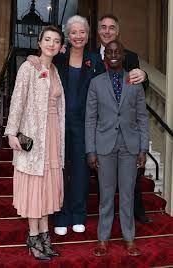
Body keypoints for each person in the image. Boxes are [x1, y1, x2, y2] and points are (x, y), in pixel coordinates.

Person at [27, 15, 104, 236]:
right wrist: (34, 59)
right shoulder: (58, 58)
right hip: (57, 123)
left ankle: (78, 214)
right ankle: (60, 215)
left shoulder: (95, 61)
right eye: (73, 32)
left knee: (80, 171)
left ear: (87, 35)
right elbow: (41, 64)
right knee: (58, 170)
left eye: (82, 32)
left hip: (84, 125)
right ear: (67, 36)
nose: (78, 36)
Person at [4, 25, 65, 260]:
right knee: (34, 187)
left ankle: (44, 235)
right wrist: (11, 133)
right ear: (39, 43)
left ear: (60, 47)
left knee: (47, 187)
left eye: (56, 41)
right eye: (47, 39)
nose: (51, 44)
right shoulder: (28, 68)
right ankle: (33, 237)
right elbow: (17, 100)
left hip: (52, 135)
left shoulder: (56, 72)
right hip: (33, 136)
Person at [85, 40, 149, 257]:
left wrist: (143, 148)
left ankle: (129, 238)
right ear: (105, 57)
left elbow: (142, 118)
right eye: (109, 52)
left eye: (117, 52)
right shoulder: (96, 83)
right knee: (106, 195)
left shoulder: (135, 82)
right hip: (104, 147)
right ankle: (103, 239)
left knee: (128, 196)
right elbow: (90, 119)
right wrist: (90, 150)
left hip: (130, 148)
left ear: (123, 55)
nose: (113, 55)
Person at [97, 13, 151, 223]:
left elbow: (140, 87)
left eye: (112, 27)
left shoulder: (130, 57)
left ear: (117, 31)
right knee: (104, 181)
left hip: (127, 127)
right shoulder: (89, 56)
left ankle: (136, 211)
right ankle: (105, 220)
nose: (107, 31)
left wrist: (144, 75)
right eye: (104, 27)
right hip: (103, 126)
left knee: (132, 178)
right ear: (99, 30)